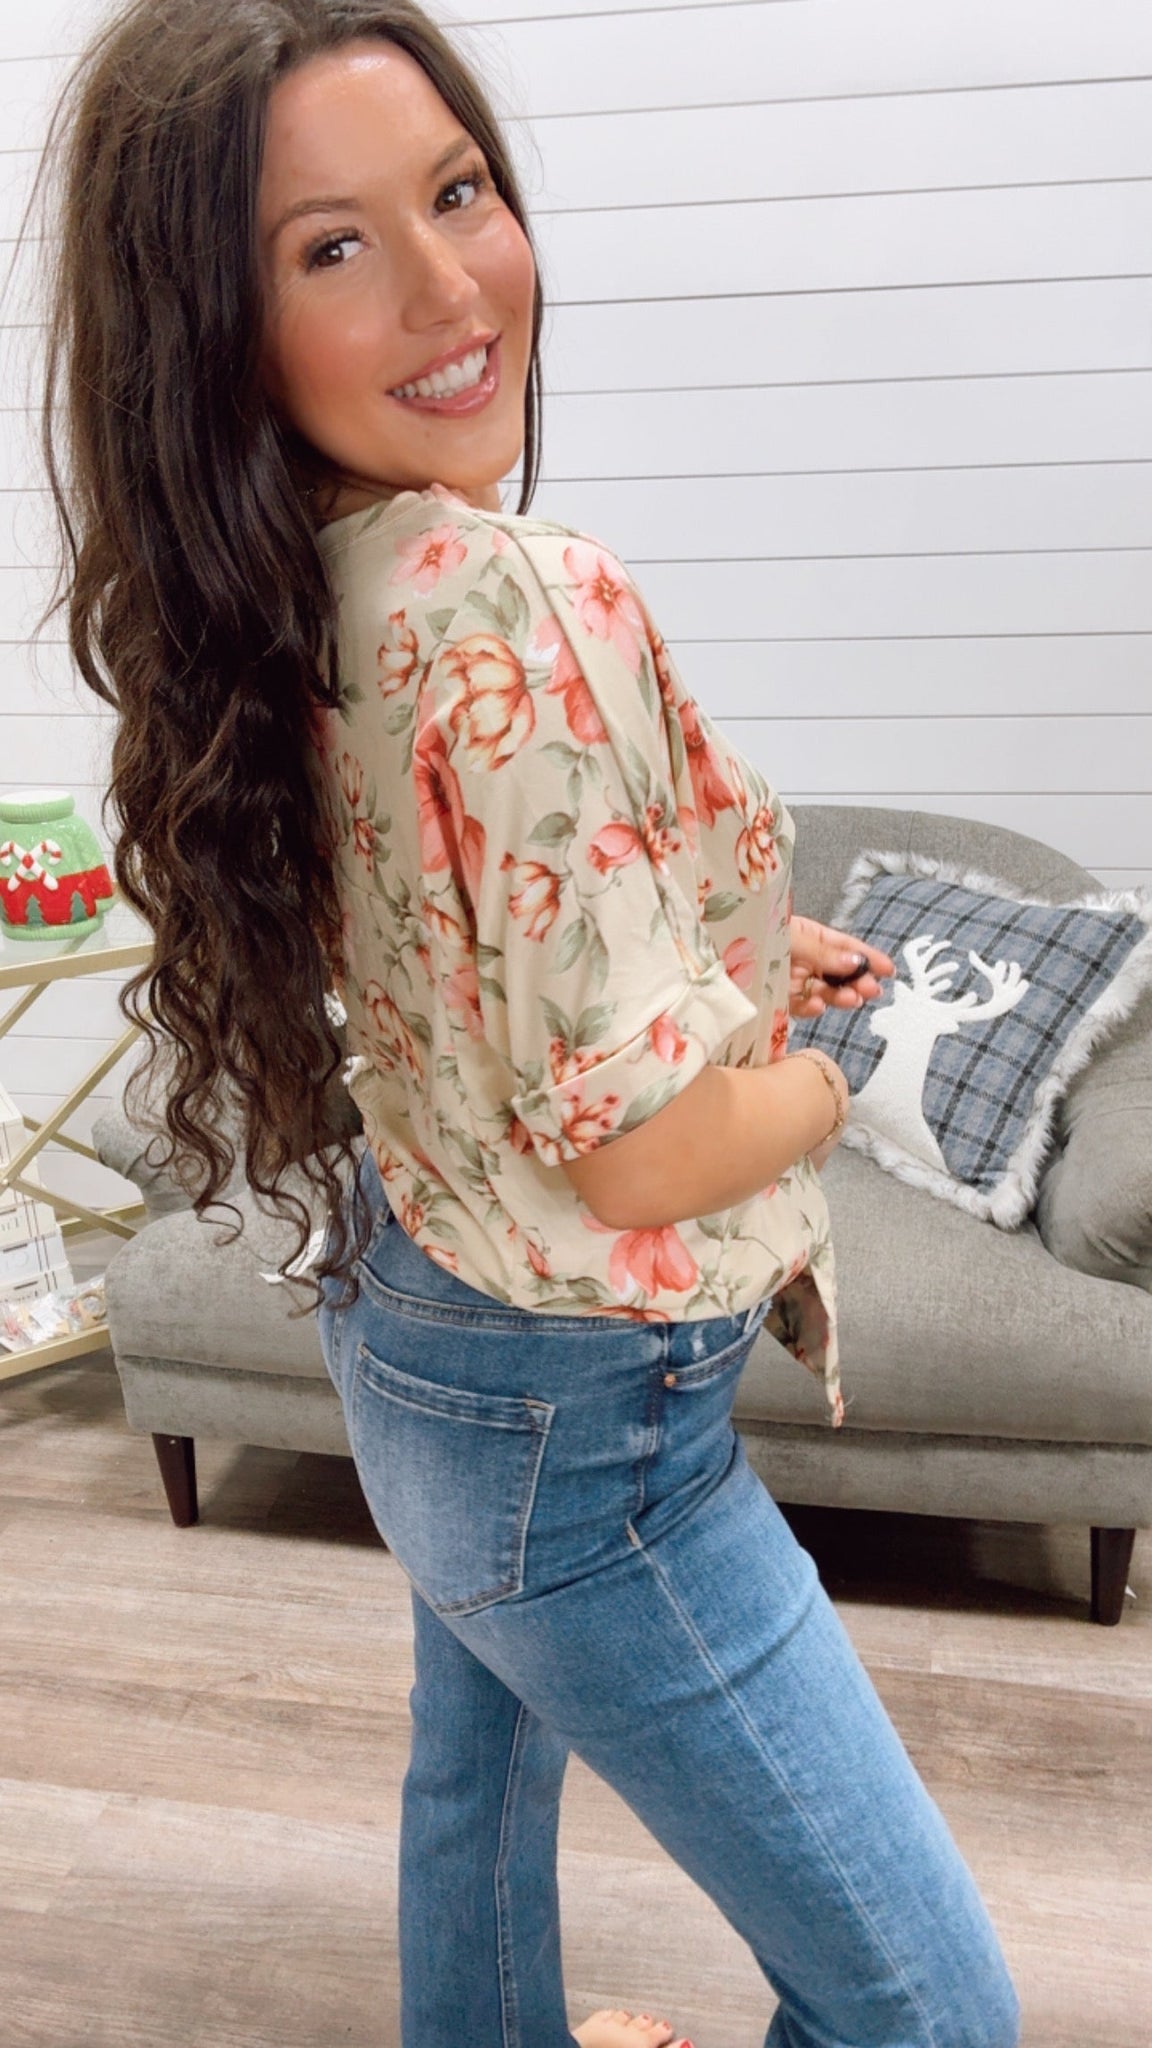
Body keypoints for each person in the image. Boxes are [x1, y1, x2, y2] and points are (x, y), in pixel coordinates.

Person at [33, 2, 1022, 2042]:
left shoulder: (287, 589)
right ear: (217, 328)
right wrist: (826, 1076)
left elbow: (471, 936)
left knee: (472, 1794)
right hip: (586, 1427)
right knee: (930, 2009)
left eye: (460, 192)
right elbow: (645, 1156)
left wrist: (736, 955)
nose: (450, 287)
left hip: (415, 1311)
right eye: (331, 247)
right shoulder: (513, 592)